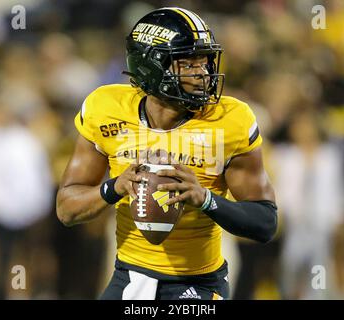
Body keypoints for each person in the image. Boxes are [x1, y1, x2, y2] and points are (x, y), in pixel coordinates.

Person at [56, 7, 277, 300]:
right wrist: (115, 188)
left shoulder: (230, 119)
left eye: (205, 61)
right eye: (188, 63)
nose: (203, 73)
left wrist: (206, 200)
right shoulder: (105, 108)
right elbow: (67, 209)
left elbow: (264, 223)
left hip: (198, 283)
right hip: (130, 277)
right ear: (152, 66)